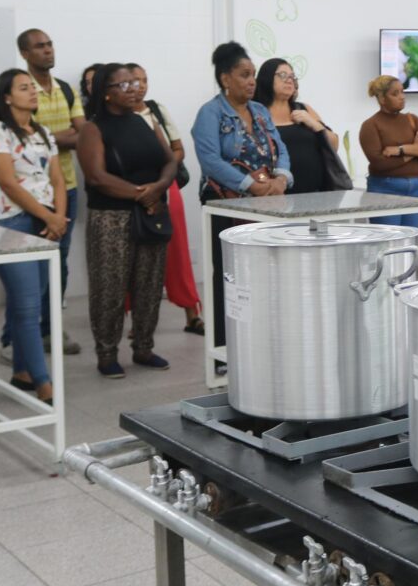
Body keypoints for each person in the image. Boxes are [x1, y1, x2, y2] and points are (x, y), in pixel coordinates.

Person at [77, 63, 177, 379]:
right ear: (106, 93)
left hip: (151, 212)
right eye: (124, 85)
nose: (134, 89)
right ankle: (107, 354)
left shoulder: (144, 120)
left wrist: (159, 188)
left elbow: (170, 160)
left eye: (135, 83)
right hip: (111, 218)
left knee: (149, 284)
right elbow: (97, 176)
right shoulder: (93, 129)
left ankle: (143, 347)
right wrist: (141, 194)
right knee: (110, 287)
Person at [193, 42, 293, 343]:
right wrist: (250, 185)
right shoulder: (210, 113)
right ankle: (224, 346)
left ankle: (263, 339)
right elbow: (210, 161)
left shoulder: (260, 110)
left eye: (253, 75)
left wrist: (281, 179)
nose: (252, 81)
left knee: (266, 272)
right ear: (226, 78)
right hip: (226, 206)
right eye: (244, 75)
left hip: (267, 204)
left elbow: (281, 149)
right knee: (230, 274)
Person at [0, 69, 66, 403]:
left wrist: (58, 217)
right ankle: (44, 383)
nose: (32, 92)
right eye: (23, 88)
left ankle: (21, 371)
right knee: (28, 306)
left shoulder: (42, 132)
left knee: (28, 302)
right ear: (6, 96)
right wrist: (48, 216)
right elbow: (7, 183)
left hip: (46, 222)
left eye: (33, 87)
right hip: (12, 224)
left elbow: (57, 179)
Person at [15, 29, 83, 357]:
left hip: (65, 188)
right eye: (39, 47)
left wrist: (46, 137)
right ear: (25, 54)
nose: (47, 50)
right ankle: (22, 333)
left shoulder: (66, 90)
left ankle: (51, 327)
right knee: (31, 266)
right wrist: (60, 136)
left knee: (59, 261)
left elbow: (82, 134)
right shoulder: (21, 88)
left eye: (49, 44)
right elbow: (23, 137)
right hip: (31, 193)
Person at [129, 62, 205, 336]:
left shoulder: (156, 110)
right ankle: (138, 322)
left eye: (144, 79)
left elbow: (178, 149)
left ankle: (192, 314)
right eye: (134, 80)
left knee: (178, 250)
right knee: (136, 256)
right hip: (133, 191)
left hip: (166, 186)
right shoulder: (117, 116)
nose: (140, 86)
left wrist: (162, 171)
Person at [256, 57, 339, 196]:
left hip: (315, 194)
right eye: (282, 75)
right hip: (275, 195)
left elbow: (334, 145)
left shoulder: (304, 109)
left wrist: (314, 123)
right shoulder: (255, 113)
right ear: (267, 78)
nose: (289, 80)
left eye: (292, 76)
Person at [358, 76, 418, 228]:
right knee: (390, 240)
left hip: (415, 189)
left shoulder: (413, 119)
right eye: (395, 93)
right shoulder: (370, 125)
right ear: (382, 98)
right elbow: (380, 163)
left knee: (410, 238)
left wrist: (400, 150)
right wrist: (414, 150)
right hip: (385, 189)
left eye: (402, 91)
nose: (402, 97)